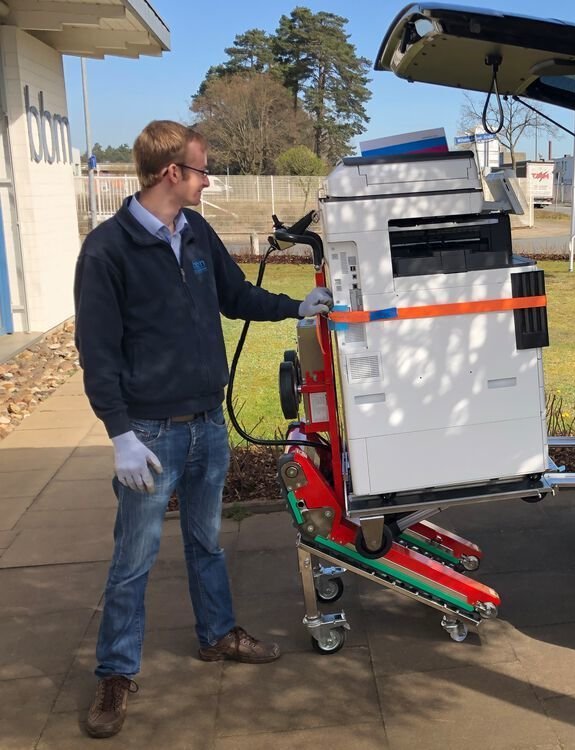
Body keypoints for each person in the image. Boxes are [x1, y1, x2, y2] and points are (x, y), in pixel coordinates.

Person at [74, 120, 332, 739]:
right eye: (200, 168)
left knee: (207, 543)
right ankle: (114, 672)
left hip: (208, 424)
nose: (207, 178)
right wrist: (119, 435)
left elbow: (236, 295)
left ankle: (217, 636)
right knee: (133, 559)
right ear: (171, 174)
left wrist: (297, 306)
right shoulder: (107, 251)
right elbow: (98, 352)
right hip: (150, 435)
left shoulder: (195, 232)